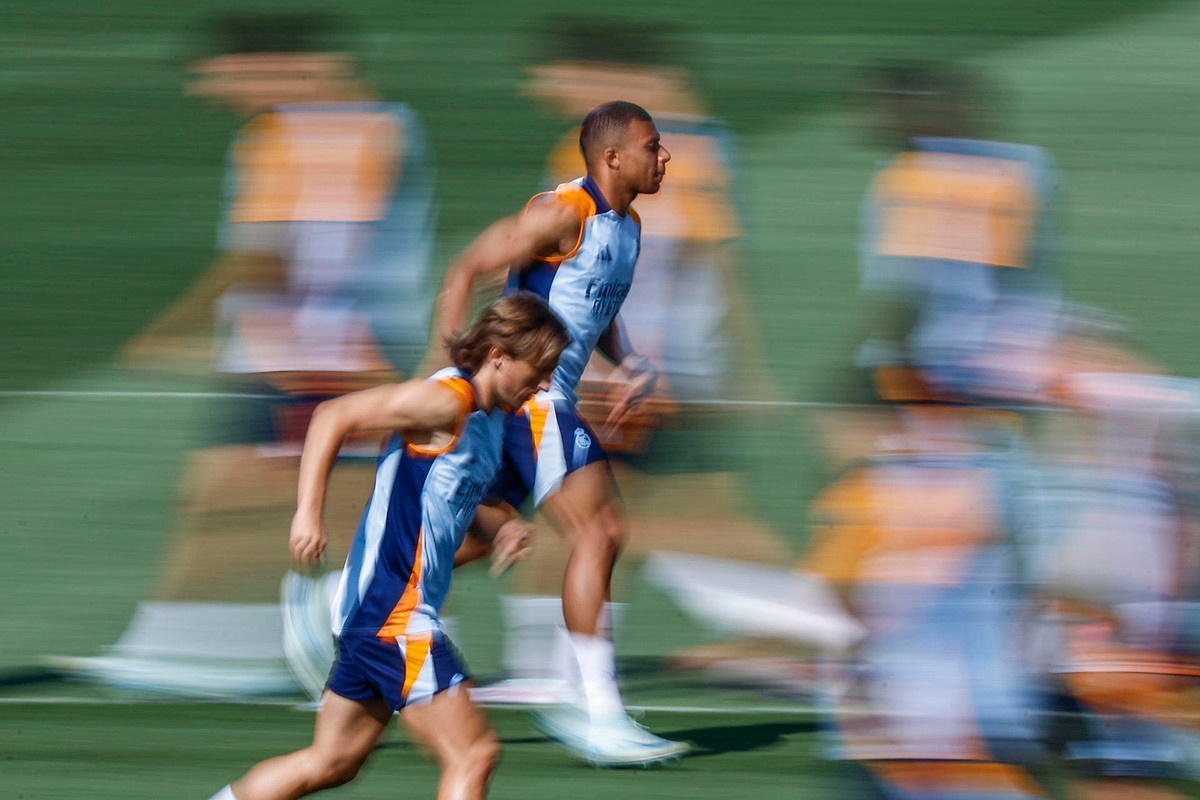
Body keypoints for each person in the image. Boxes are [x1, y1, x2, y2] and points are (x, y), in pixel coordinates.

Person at [72, 11, 438, 696]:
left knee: (306, 495)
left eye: (230, 76)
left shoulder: (319, 134)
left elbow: (269, 257)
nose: (219, 93)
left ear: (276, 65)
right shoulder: (362, 126)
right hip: (297, 351)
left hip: (320, 355)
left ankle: (359, 634)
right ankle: (179, 643)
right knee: (222, 492)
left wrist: (176, 327)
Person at [205, 291, 570, 800]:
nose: (547, 381)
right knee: (474, 753)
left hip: (375, 615)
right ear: (498, 356)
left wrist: (500, 525)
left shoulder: (490, 422)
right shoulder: (447, 402)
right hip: (393, 618)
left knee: (331, 763)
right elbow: (333, 416)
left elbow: (448, 498)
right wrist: (307, 513)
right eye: (541, 367)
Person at [426, 100, 689, 766]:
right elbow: (465, 268)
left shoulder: (627, 227)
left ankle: (347, 600)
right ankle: (596, 712)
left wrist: (627, 364)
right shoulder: (562, 214)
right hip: (529, 399)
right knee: (601, 531)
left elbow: (591, 309)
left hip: (549, 399)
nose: (665, 158)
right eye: (653, 147)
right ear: (611, 158)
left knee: (481, 537)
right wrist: (450, 371)